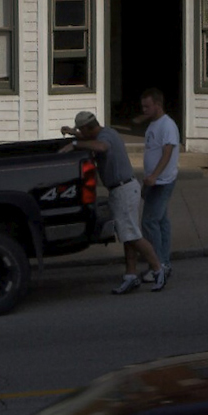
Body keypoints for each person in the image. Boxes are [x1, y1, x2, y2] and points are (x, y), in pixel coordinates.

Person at [65, 110, 163, 294]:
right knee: (127, 235)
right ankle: (131, 275)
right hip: (122, 189)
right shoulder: (104, 132)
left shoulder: (105, 136)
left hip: (123, 189)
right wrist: (73, 133)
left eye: (82, 130)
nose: (81, 133)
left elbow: (101, 147)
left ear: (89, 128)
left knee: (133, 235)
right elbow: (90, 139)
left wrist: (75, 143)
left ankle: (158, 269)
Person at [138, 88, 179, 290]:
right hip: (153, 180)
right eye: (142, 106)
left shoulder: (167, 125)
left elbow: (167, 152)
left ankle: (159, 265)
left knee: (149, 221)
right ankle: (164, 262)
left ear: (158, 105)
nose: (144, 110)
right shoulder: (154, 124)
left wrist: (154, 175)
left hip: (162, 182)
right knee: (161, 221)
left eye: (147, 106)